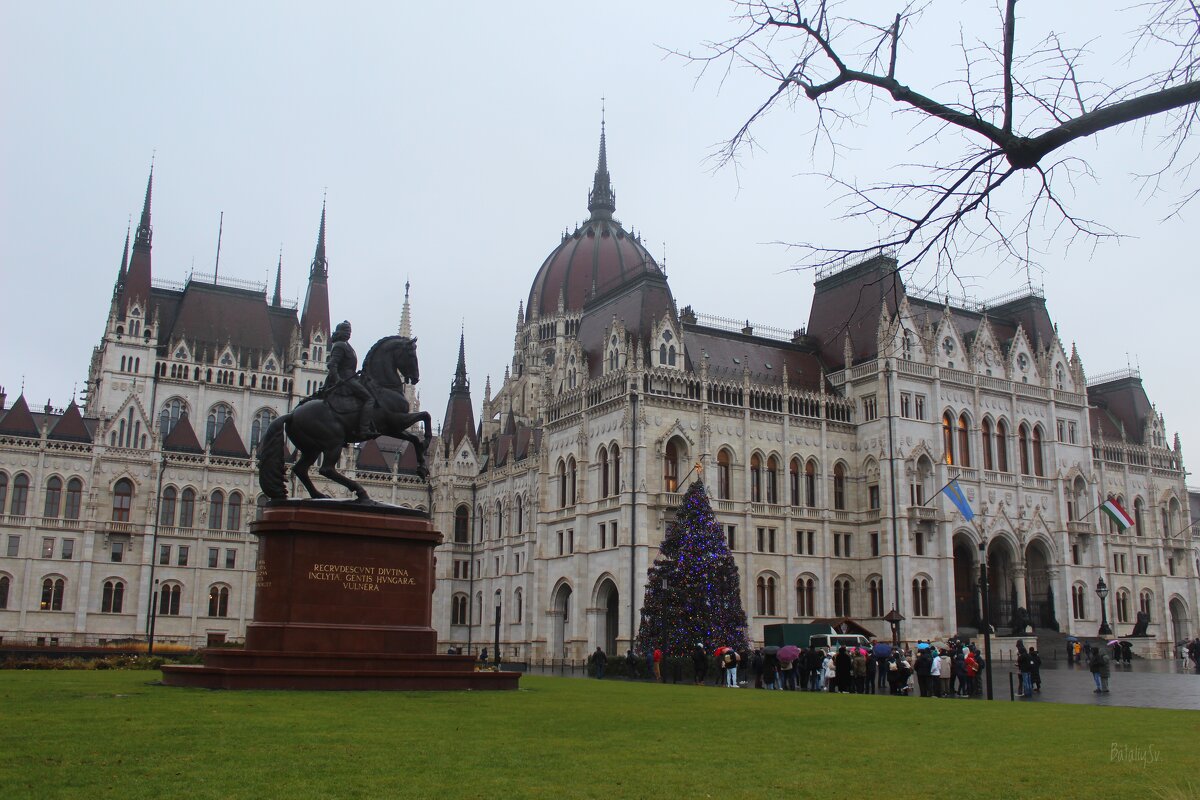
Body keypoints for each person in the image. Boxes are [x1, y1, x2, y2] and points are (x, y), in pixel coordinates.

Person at [321, 320, 377, 440]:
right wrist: (337, 379)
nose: (348, 333)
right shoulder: (340, 345)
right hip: (346, 379)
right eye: (346, 331)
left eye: (349, 331)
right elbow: (332, 364)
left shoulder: (346, 345)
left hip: (352, 377)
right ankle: (364, 429)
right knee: (369, 399)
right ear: (340, 332)